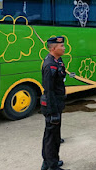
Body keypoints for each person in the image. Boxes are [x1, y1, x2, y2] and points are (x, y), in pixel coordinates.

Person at [40, 36, 68, 170]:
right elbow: (49, 90)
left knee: (53, 135)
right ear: (53, 48)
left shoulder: (58, 61)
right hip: (52, 105)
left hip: (57, 103)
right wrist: (52, 112)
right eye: (61, 46)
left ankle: (48, 162)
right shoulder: (49, 65)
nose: (64, 48)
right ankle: (52, 166)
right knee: (51, 137)